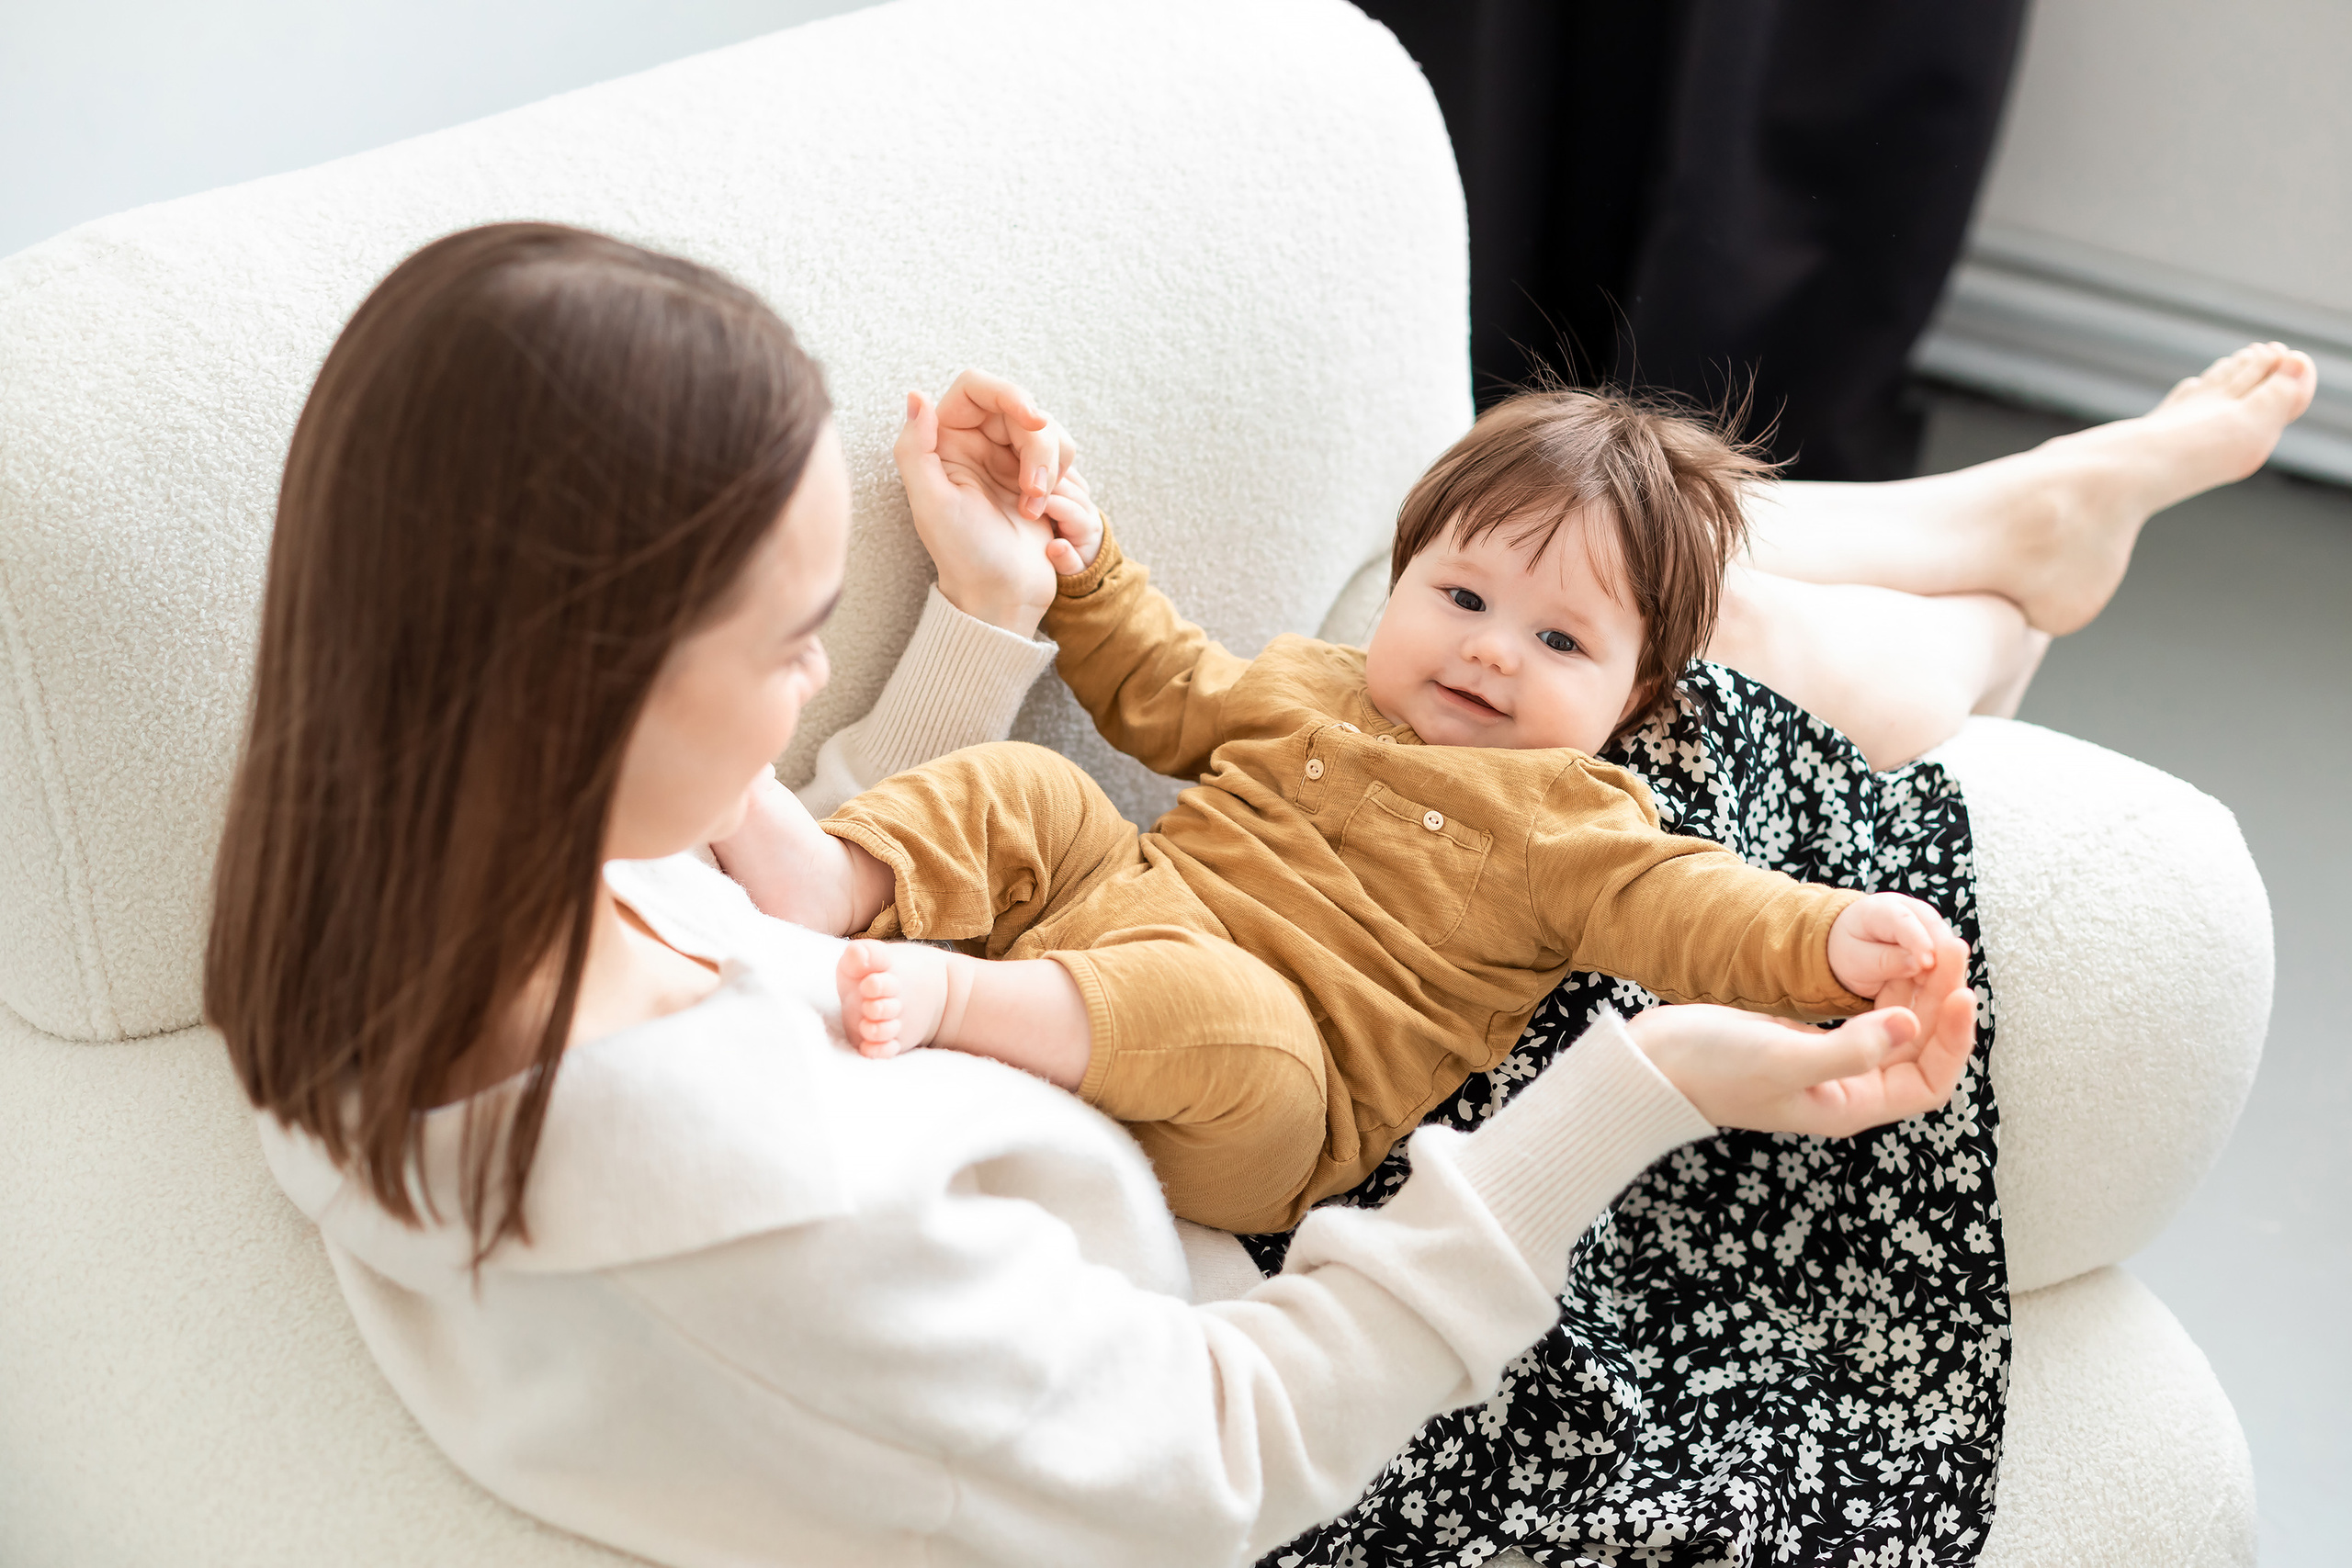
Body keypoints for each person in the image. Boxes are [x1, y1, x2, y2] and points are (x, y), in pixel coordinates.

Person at [201, 222, 2308, 1566]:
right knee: (1710, 697)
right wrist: (1650, 1082)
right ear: (581, 675)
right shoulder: (745, 1200)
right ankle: (2000, 560)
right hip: (1283, 1200)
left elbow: (810, 883)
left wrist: (996, 608)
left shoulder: (429, 888)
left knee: (1580, 642)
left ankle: (1988, 538)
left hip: (1259, 938)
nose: (796, 696)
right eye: (789, 638)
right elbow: (1223, 1448)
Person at [720, 386, 1973, 1235]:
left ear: (1632, 697)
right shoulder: (1308, 685)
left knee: (1226, 1010)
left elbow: (1699, 911)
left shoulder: (1573, 822)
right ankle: (838, 881)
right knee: (1039, 790)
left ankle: (961, 1004)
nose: (1492, 655)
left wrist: (1826, 939)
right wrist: (1087, 565)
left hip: (1274, 1096)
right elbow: (1160, 685)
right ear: (1400, 582)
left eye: (1558, 639)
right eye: (1463, 598)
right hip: (1115, 916)